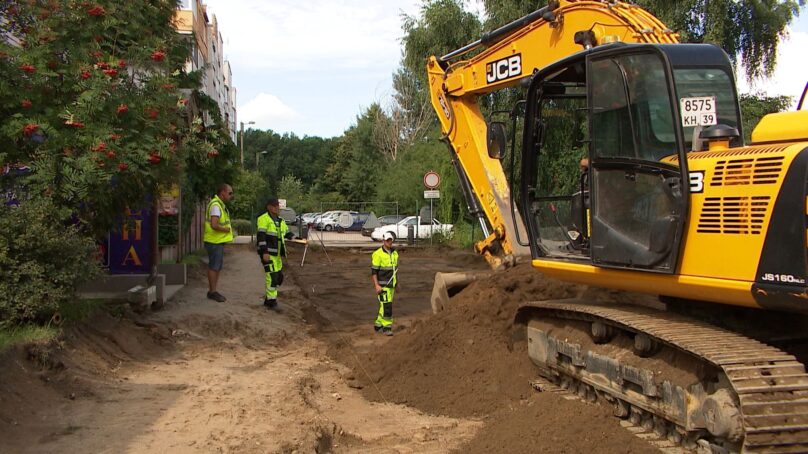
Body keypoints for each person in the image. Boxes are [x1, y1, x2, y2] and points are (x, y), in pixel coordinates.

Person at [256, 198, 294, 310]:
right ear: (269, 207)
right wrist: (264, 252)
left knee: (279, 278)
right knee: (272, 278)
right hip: (268, 253)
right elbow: (261, 237)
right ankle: (271, 301)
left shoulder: (280, 221)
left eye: (278, 206)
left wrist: (297, 238)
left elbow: (287, 233)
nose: (277, 208)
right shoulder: (263, 219)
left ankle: (269, 299)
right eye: (275, 206)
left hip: (277, 255)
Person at [204, 184, 234, 302]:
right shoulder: (216, 205)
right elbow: (214, 224)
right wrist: (226, 229)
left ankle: (213, 290)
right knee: (214, 266)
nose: (231, 196)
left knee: (216, 266)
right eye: (230, 193)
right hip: (214, 241)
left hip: (216, 241)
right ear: (223, 193)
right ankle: (212, 292)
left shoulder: (219, 205)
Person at [371, 231, 399, 336]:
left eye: (390, 240)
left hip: (391, 285)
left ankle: (378, 324)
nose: (389, 242)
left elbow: (395, 270)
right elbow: (374, 272)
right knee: (387, 306)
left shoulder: (395, 253)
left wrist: (397, 284)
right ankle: (387, 327)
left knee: (384, 305)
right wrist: (376, 285)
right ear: (383, 241)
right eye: (387, 240)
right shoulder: (377, 254)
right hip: (383, 286)